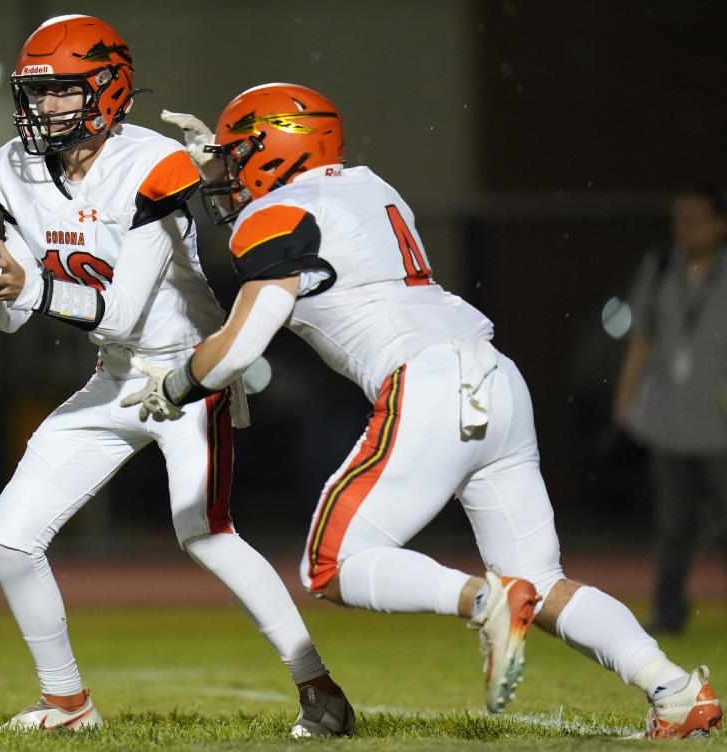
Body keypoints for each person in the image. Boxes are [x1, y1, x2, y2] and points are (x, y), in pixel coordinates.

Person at [125, 83, 724, 738]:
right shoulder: (373, 188)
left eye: (239, 155)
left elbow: (242, 343)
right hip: (495, 375)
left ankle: (482, 601)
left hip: (428, 381)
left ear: (276, 149)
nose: (229, 174)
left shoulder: (277, 215)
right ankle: (673, 690)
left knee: (332, 565)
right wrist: (211, 164)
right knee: (540, 581)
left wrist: (178, 383)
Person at [0, 18, 354, 736]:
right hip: (115, 378)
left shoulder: (155, 164)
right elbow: (13, 318)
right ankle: (68, 704)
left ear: (108, 91)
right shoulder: (8, 167)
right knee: (8, 542)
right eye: (35, 94)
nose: (41, 110)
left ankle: (319, 689)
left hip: (187, 373)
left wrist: (26, 287)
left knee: (206, 533)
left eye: (59, 94)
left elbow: (124, 314)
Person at [613, 187, 727, 636]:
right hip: (668, 421)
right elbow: (642, 337)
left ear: (720, 224)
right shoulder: (659, 268)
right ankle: (668, 612)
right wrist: (624, 398)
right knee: (672, 527)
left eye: (697, 218)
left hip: (720, 426)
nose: (685, 228)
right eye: (680, 218)